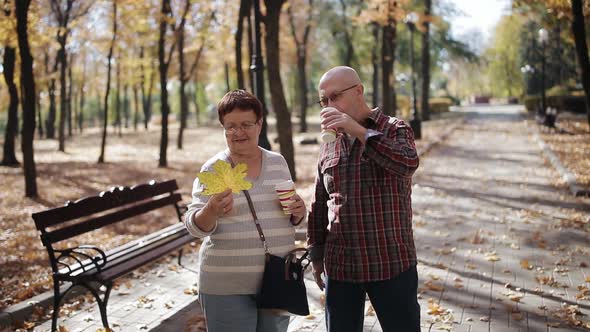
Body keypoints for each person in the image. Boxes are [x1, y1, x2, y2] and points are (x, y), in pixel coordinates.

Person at [307, 66, 421, 332]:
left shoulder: (395, 128)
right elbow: (319, 200)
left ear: (359, 91)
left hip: (390, 261)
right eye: (324, 101)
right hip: (341, 266)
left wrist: (356, 129)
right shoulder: (330, 142)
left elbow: (406, 163)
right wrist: (316, 252)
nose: (329, 105)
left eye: (335, 97)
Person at [184, 90, 306, 332]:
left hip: (276, 280)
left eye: (246, 124)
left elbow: (291, 214)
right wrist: (211, 210)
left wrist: (299, 211)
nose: (238, 132)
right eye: (230, 127)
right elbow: (194, 226)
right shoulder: (214, 169)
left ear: (260, 124)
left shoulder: (278, 163)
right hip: (226, 285)